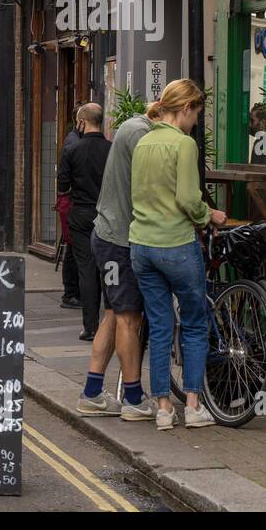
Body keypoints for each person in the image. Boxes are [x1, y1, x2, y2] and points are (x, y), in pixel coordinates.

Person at [129, 79, 227, 431]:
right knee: (195, 323)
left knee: (159, 327)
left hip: (141, 245)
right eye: (197, 113)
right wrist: (209, 215)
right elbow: (188, 198)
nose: (196, 122)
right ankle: (194, 404)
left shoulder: (143, 142)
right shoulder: (183, 145)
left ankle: (163, 409)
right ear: (186, 108)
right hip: (175, 245)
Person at [76, 108, 156, 420]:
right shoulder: (140, 133)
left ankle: (92, 393)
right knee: (128, 320)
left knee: (112, 317)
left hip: (107, 236)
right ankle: (134, 398)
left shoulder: (132, 128)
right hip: (118, 242)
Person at [57, 103, 112, 342]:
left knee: (86, 269)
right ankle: (112, 324)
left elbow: (62, 186)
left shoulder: (72, 150)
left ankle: (90, 328)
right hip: (107, 215)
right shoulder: (112, 149)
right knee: (109, 269)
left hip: (81, 214)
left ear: (81, 122)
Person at [60, 106, 84, 309]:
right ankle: (70, 292)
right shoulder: (74, 143)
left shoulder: (73, 140)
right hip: (72, 202)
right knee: (73, 246)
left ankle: (73, 291)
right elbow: (64, 180)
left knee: (73, 245)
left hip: (71, 201)